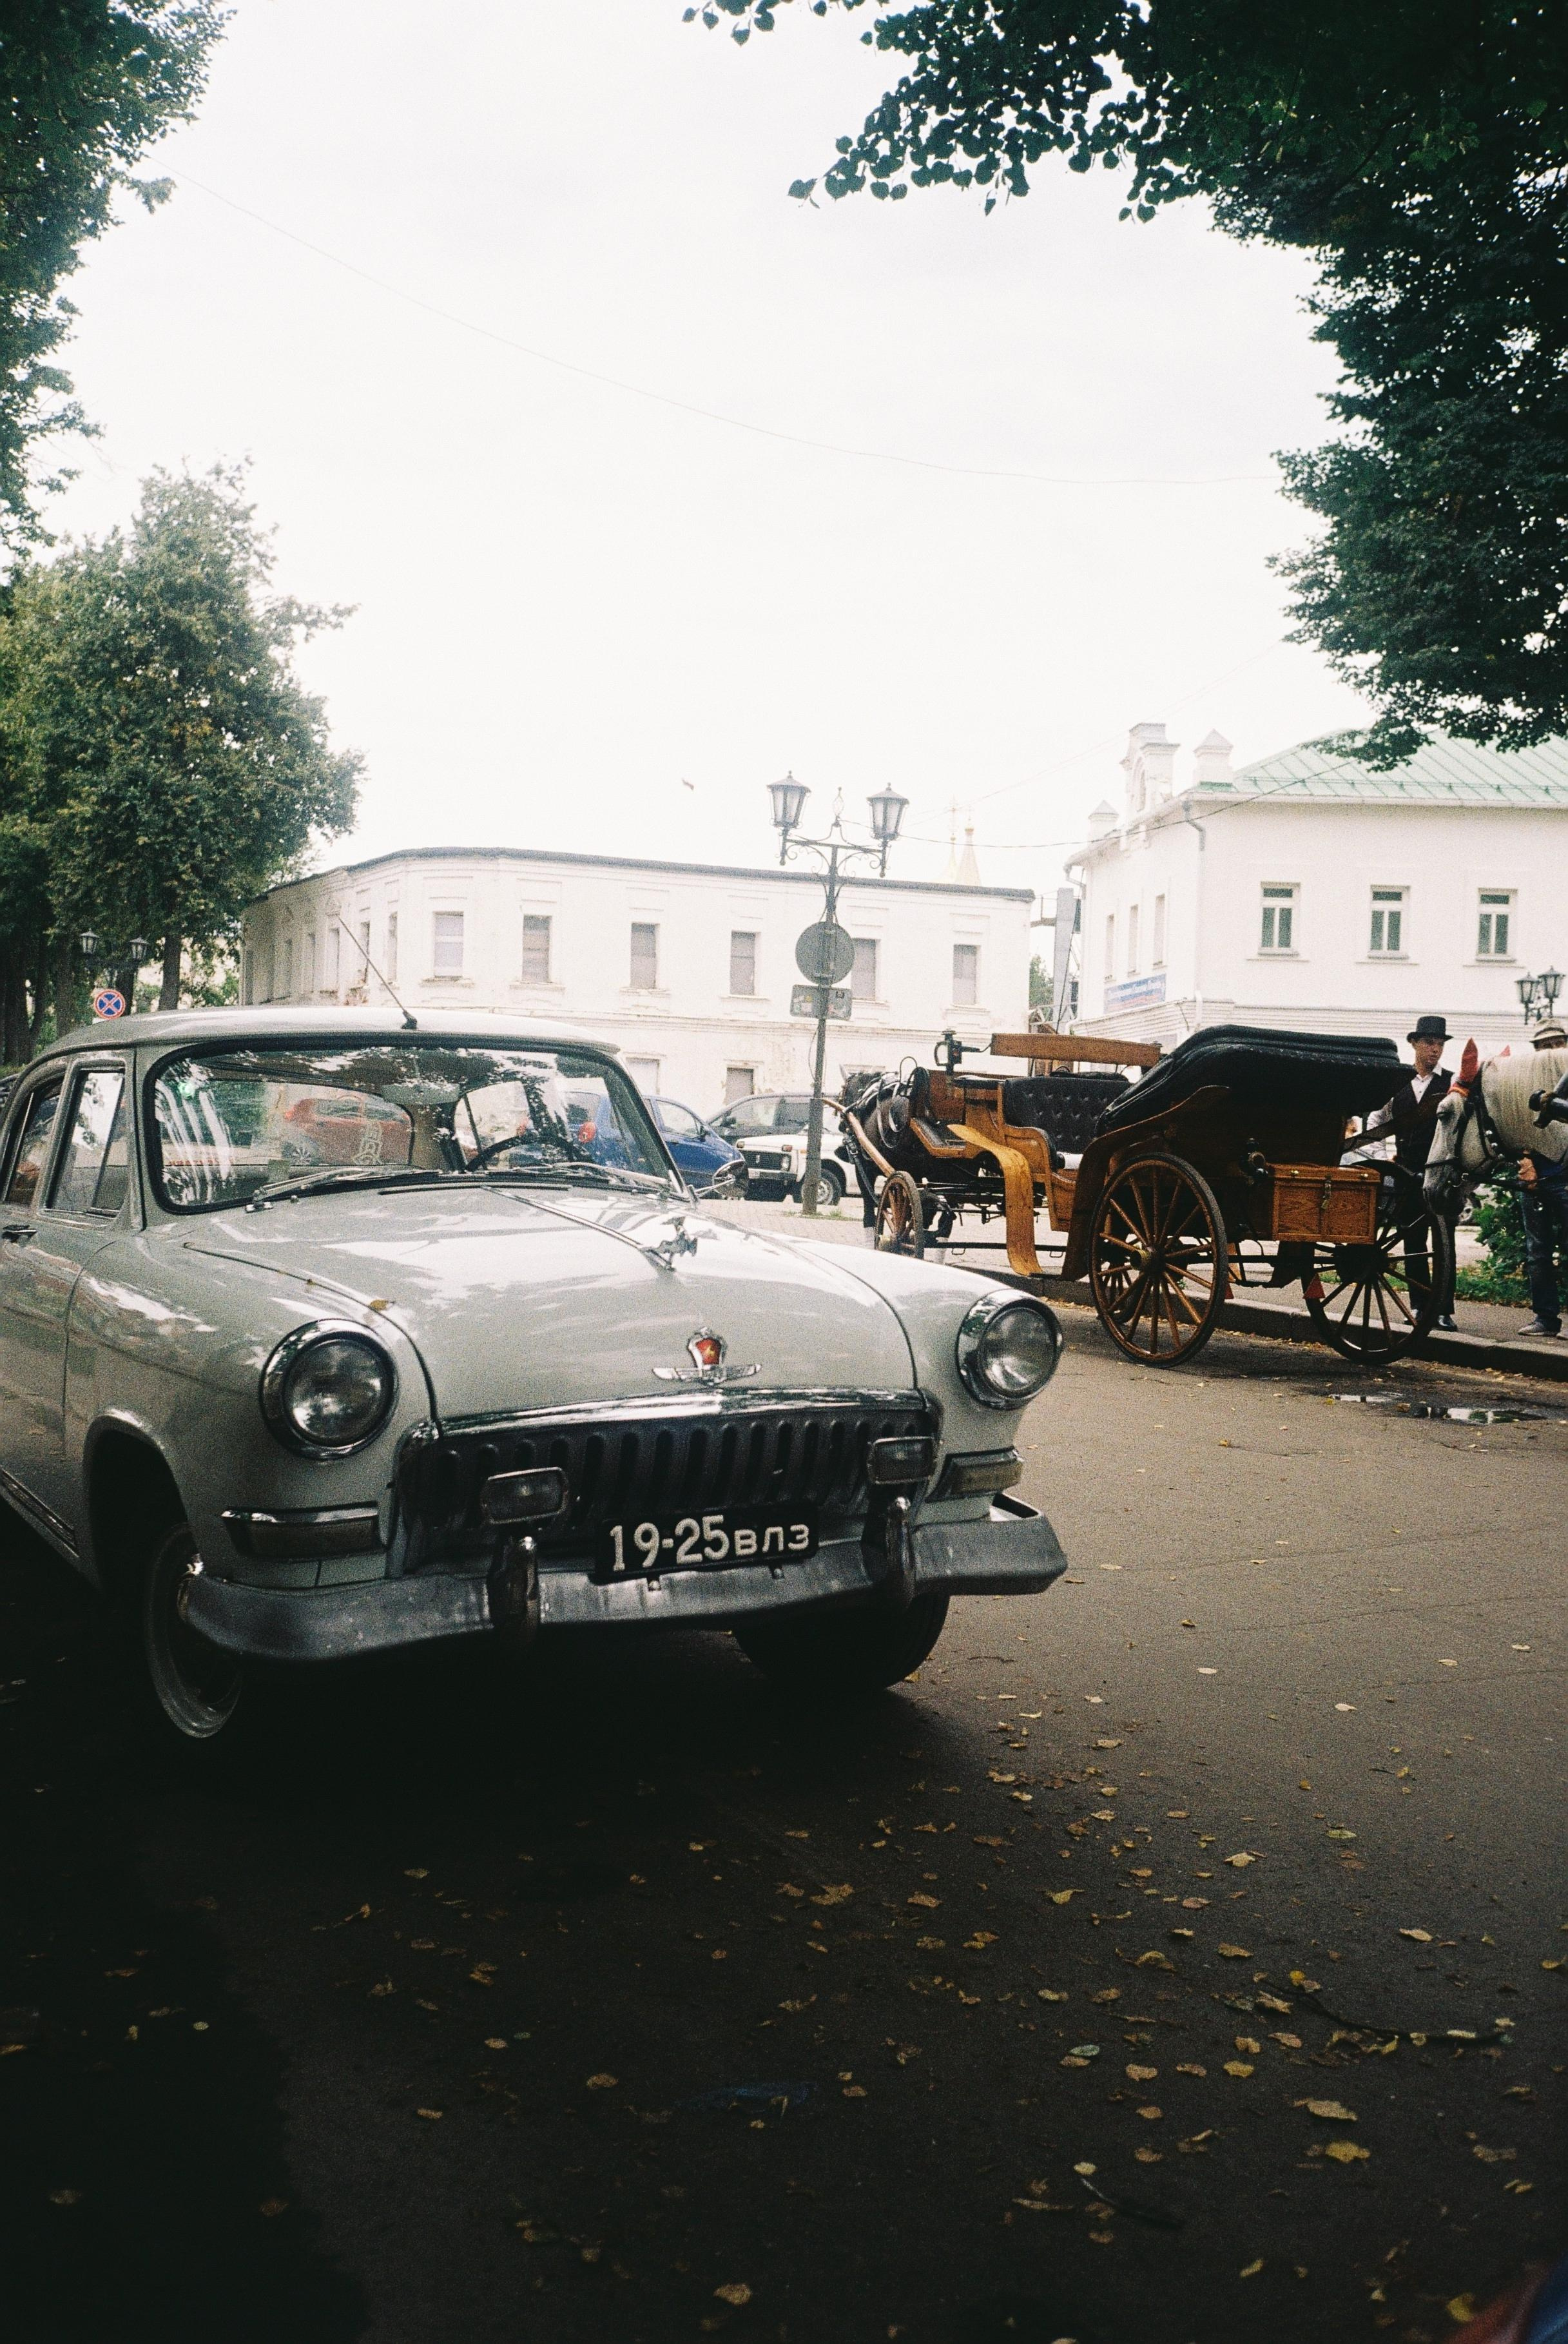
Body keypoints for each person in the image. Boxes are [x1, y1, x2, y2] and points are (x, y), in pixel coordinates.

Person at [1361, 1014, 1458, 1327]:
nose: (1435, 1050)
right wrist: (1380, 1156)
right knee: (1413, 1242)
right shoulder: (1400, 1084)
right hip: (1406, 1173)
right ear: (1415, 1044)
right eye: (1429, 1043)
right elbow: (1377, 1121)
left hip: (1442, 1174)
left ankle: (1442, 1310)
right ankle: (1419, 1307)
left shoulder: (1452, 1083)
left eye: (1440, 1044)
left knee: (1445, 1242)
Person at [1514, 1016, 1568, 1341]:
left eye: (1557, 1043)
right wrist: (1526, 1162)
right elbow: (1517, 1125)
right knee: (1538, 1252)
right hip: (1538, 1176)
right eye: (1545, 1045)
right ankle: (1545, 1317)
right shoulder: (1524, 1082)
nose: (1551, 1050)